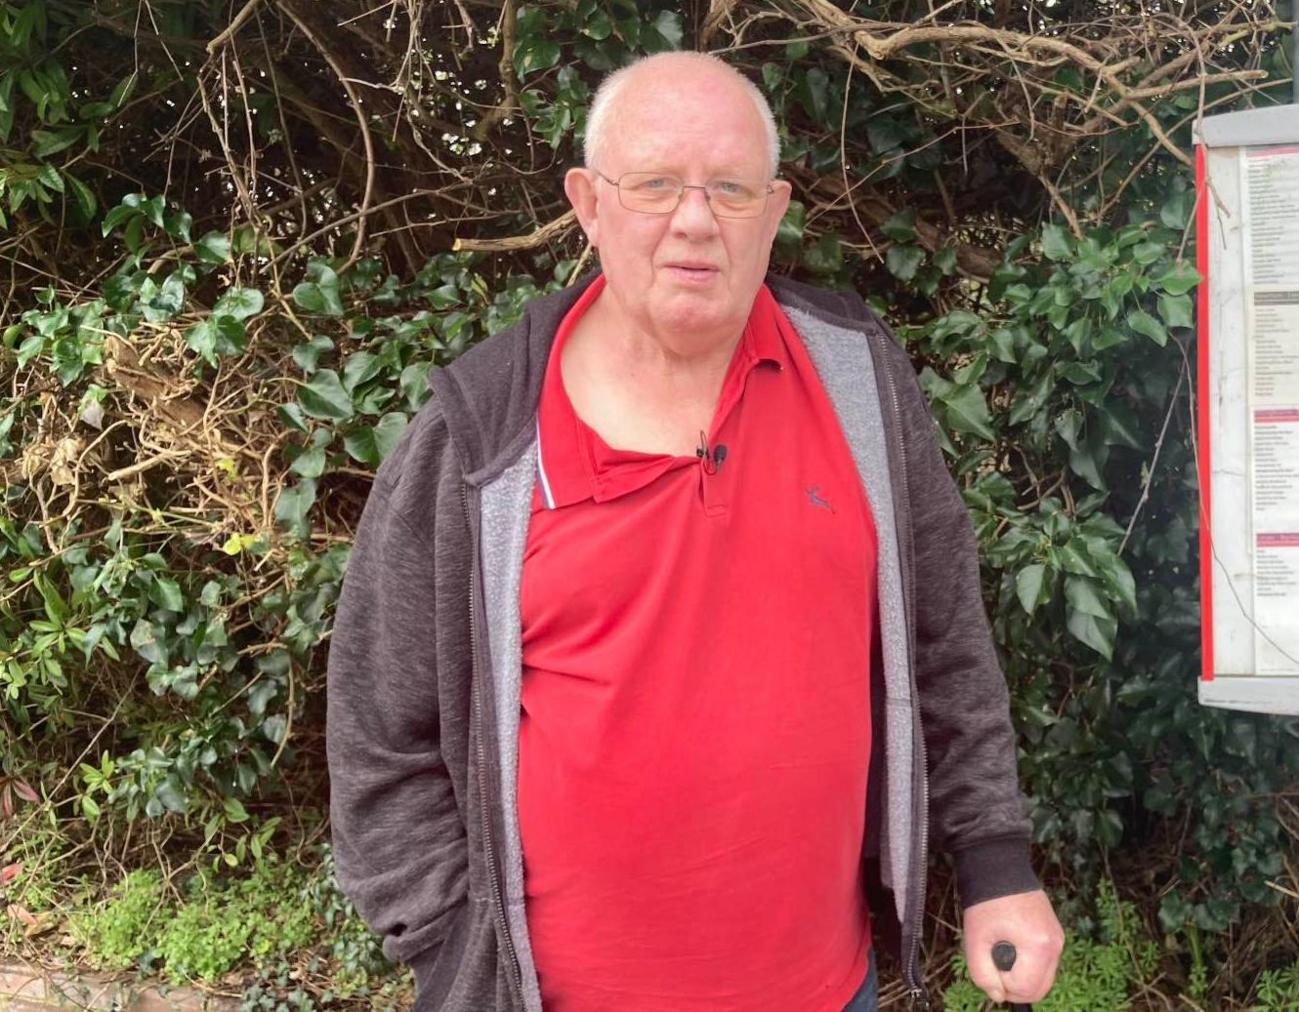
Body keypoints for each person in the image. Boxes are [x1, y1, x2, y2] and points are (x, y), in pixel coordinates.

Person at [324, 50, 1063, 1012]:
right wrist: (453, 946)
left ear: (777, 207)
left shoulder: (858, 384)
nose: (695, 220)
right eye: (656, 184)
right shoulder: (485, 428)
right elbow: (378, 729)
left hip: (831, 992)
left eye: (730, 187)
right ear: (588, 202)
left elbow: (946, 639)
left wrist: (996, 863)